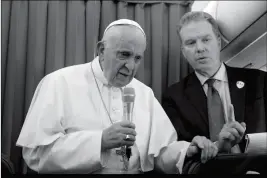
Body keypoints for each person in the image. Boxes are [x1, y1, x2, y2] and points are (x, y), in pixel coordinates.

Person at [16, 19, 218, 174]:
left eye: (137, 58)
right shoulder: (59, 83)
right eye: (124, 55)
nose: (131, 66)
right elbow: (35, 154)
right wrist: (100, 141)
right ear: (102, 50)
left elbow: (160, 153)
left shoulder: (144, 93)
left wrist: (185, 151)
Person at [162, 11, 267, 154]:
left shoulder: (259, 80)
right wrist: (216, 145)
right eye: (191, 43)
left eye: (206, 39)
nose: (200, 48)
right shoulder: (174, 97)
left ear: (218, 41)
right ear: (183, 52)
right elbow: (179, 153)